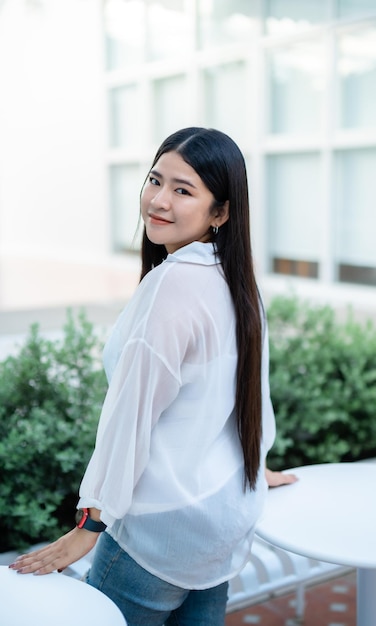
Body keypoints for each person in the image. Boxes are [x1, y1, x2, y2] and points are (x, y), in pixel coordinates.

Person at [9, 127, 297, 625]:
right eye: (154, 180)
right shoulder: (235, 279)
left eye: (183, 190)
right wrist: (254, 467)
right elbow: (248, 392)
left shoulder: (174, 287)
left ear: (220, 212)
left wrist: (89, 522)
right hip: (223, 521)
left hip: (157, 532)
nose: (159, 201)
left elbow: (130, 417)